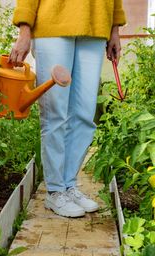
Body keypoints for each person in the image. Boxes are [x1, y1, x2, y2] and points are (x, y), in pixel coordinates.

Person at [9, 1, 126, 217]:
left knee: (84, 114)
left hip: (96, 23)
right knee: (55, 113)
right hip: (53, 21)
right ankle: (55, 191)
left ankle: (69, 185)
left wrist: (114, 28)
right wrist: (24, 29)